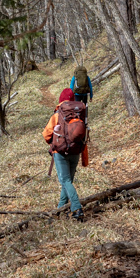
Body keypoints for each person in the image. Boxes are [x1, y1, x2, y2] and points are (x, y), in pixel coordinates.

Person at [43, 88, 88, 221]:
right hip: (76, 150)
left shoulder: (58, 115)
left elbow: (46, 135)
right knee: (68, 181)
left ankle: (77, 207)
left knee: (65, 181)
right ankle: (60, 207)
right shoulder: (80, 114)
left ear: (61, 100)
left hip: (61, 152)